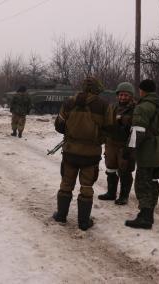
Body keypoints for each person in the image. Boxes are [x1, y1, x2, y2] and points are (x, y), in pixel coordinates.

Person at [53, 77, 115, 231]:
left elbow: (59, 126)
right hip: (91, 155)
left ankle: (61, 216)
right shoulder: (104, 106)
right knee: (86, 187)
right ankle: (83, 222)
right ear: (97, 89)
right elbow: (109, 130)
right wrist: (97, 139)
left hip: (70, 152)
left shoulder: (68, 103)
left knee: (66, 184)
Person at [124, 79, 159, 229]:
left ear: (142, 91)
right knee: (153, 181)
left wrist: (129, 149)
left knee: (142, 182)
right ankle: (148, 213)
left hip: (149, 151)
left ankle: (145, 218)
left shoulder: (143, 107)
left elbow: (138, 131)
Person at [98, 82, 136, 205]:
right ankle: (111, 193)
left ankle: (124, 196)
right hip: (111, 142)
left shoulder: (135, 108)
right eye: (120, 95)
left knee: (125, 170)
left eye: (125, 95)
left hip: (126, 144)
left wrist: (122, 120)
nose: (123, 97)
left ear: (131, 96)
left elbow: (136, 125)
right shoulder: (112, 107)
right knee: (110, 167)